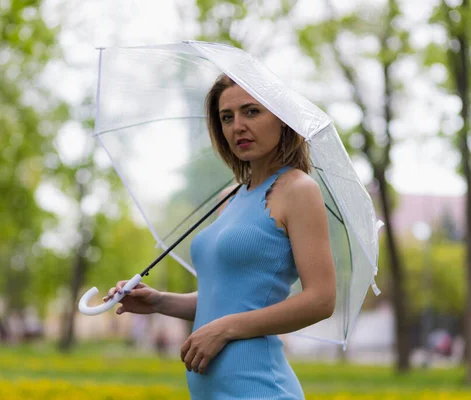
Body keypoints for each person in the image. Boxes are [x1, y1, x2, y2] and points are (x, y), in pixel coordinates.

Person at [103, 74, 336, 399]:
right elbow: (226, 298)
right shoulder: (228, 199)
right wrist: (159, 301)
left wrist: (224, 330)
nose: (237, 125)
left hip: (260, 388)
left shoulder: (298, 189)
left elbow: (321, 300)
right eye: (227, 117)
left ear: (282, 119)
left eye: (251, 111)